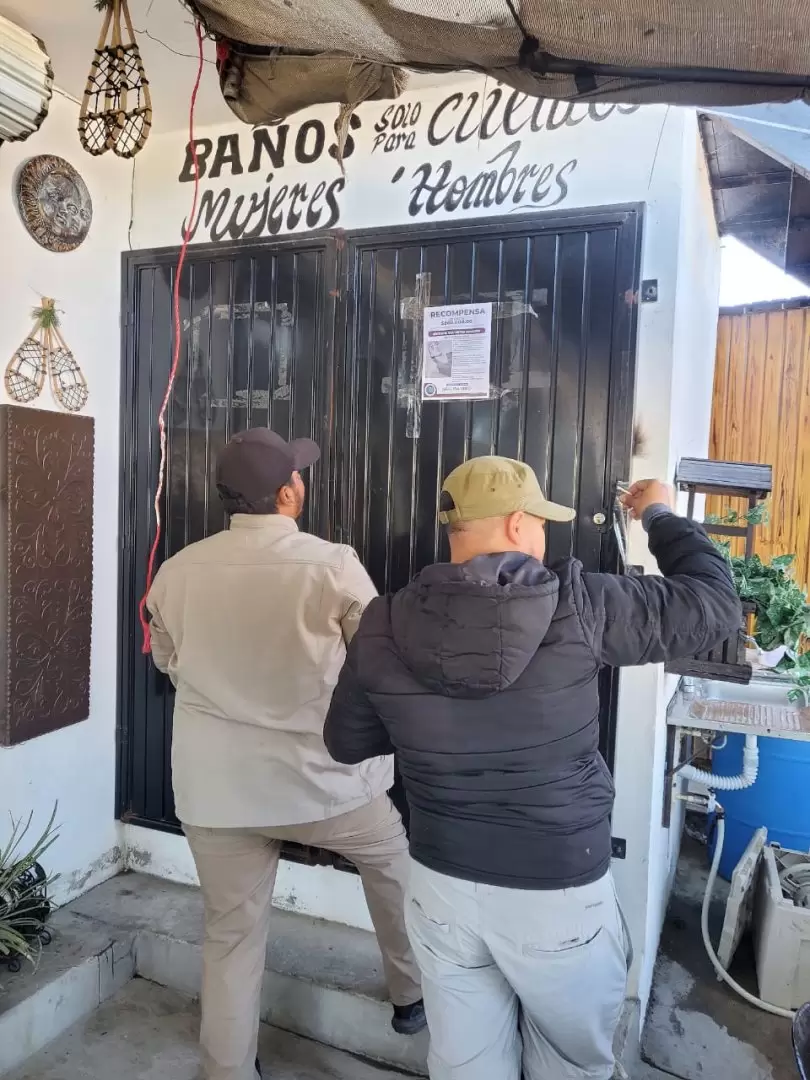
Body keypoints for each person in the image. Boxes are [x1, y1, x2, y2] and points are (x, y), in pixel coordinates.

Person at [324, 456, 742, 1080]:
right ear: (519, 525)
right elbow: (714, 605)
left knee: (466, 1067)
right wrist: (658, 513)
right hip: (558, 893)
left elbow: (346, 743)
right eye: (541, 523)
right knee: (572, 1065)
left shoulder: (382, 621)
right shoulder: (581, 605)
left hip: (442, 882)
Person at [146, 428, 425, 1080]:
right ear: (288, 492)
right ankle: (411, 996)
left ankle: (226, 1071)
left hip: (217, 794)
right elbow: (382, 663)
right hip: (323, 784)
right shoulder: (331, 565)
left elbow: (167, 661)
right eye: (298, 473)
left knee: (231, 935)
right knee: (393, 868)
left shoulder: (177, 571)